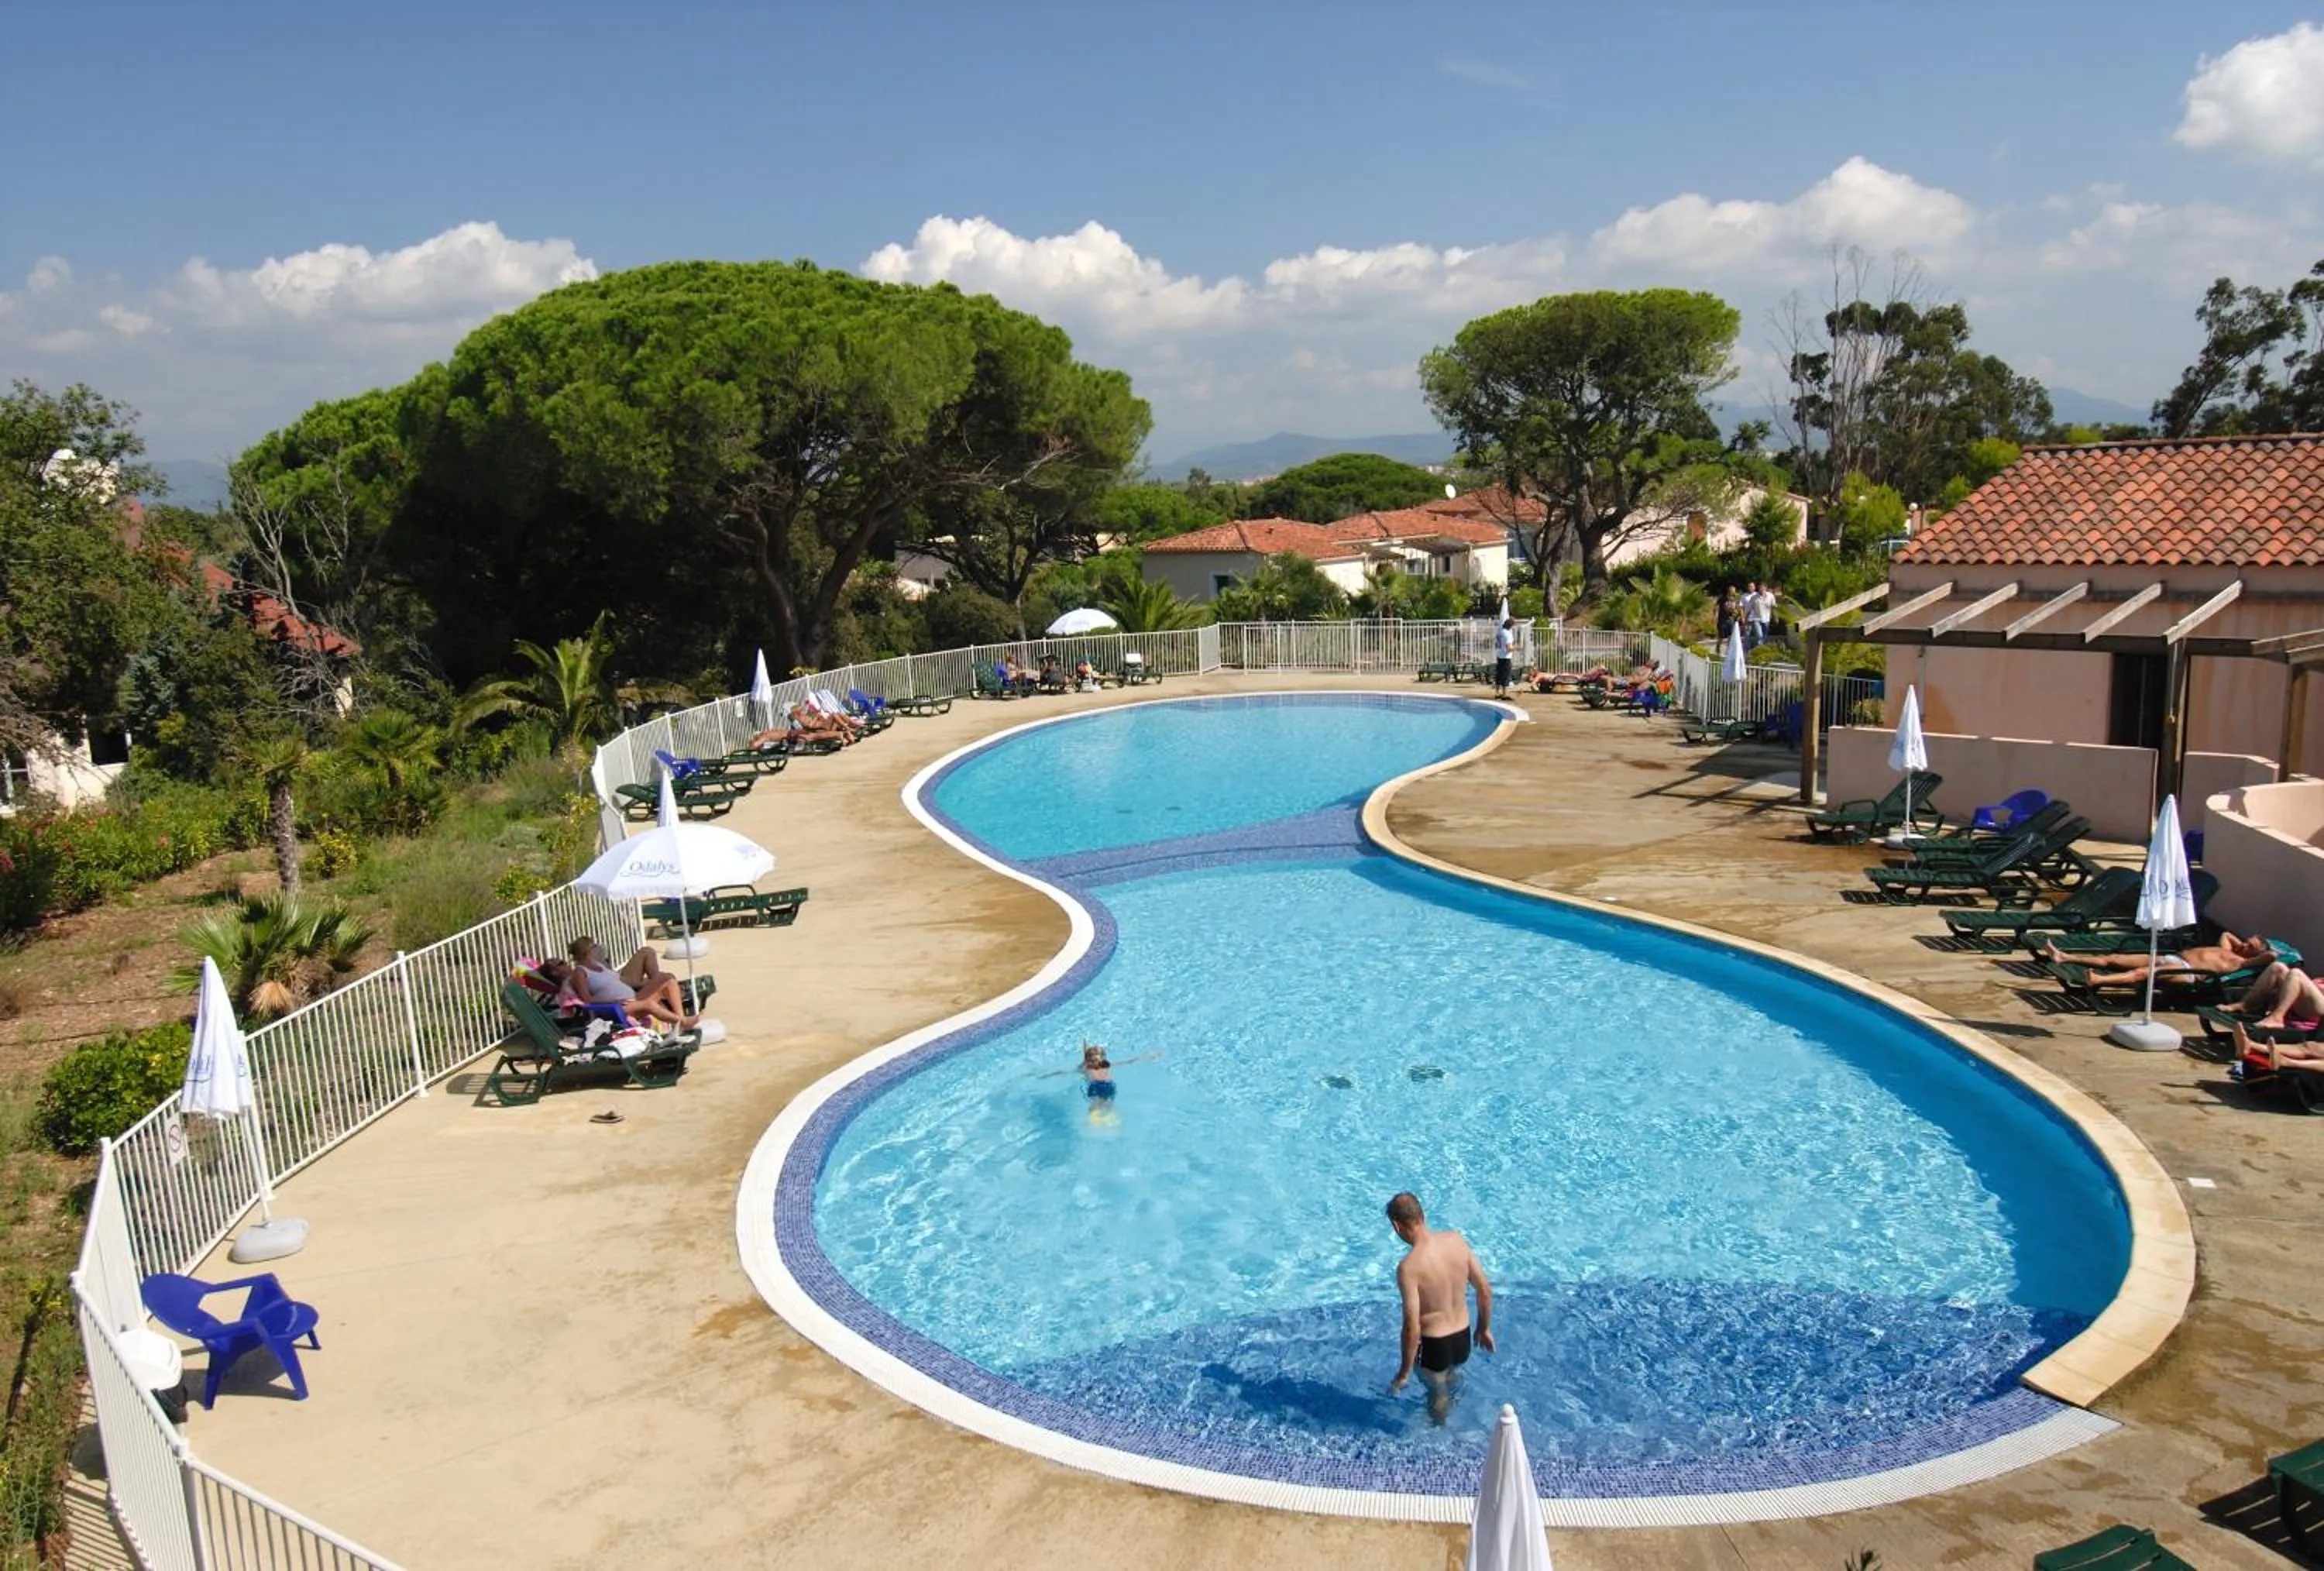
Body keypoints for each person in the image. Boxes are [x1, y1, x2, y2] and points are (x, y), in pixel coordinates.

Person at [1384, 1191, 1494, 1426]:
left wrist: (1403, 1373)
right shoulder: (1456, 1240)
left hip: (1434, 1345)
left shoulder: (1409, 1267)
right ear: (1422, 1216)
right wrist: (1484, 1329)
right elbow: (1484, 1288)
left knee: (1437, 1393)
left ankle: (1439, 1436)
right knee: (1451, 1375)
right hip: (1463, 1338)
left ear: (1397, 1226)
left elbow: (1412, 1327)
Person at [2035, 930, 2271, 986]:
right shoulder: (2228, 949)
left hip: (2186, 972)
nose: (2244, 945)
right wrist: (2241, 944)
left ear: (2253, 953)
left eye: (2249, 945)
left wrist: (2255, 951)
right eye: (2246, 940)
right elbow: (2226, 934)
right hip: (2172, 958)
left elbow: (2271, 957)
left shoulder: (2241, 963)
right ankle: (2063, 957)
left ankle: (2099, 981)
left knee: (2142, 974)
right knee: (2114, 958)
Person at [562, 940, 699, 1030]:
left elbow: (620, 981)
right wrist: (617, 1001)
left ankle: (681, 1018)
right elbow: (587, 1000)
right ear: (588, 951)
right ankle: (681, 1022)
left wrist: (647, 983)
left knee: (667, 979)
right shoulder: (580, 973)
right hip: (616, 1008)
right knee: (649, 1005)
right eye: (594, 946)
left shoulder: (598, 966)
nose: (598, 948)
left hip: (632, 998)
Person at [2218, 961, 2324, 1030]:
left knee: (2296, 974)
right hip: (2312, 1002)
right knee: (2277, 967)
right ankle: (2244, 1005)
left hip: (2319, 1014)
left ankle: (2277, 1018)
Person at [1492, 617, 1514, 699]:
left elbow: (1497, 644)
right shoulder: (1508, 634)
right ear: (1511, 626)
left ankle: (1497, 693)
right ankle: (1504, 694)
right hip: (1506, 657)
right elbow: (1509, 648)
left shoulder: (1500, 633)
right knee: (1506, 675)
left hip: (1499, 656)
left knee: (1499, 675)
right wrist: (1517, 647)